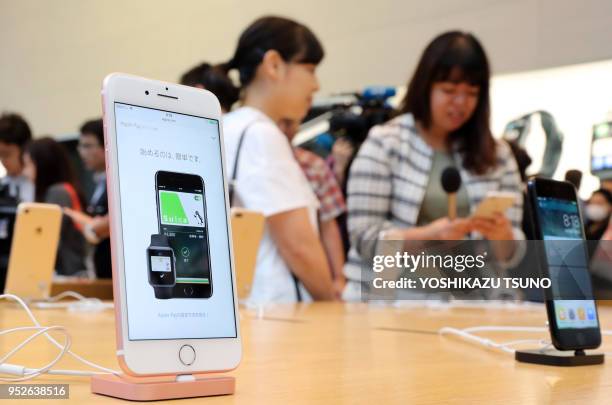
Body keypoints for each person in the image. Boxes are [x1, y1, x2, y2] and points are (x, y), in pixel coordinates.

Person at [343, 31, 524, 300]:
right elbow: (363, 237)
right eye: (449, 91)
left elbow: (512, 253)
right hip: (395, 300)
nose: (460, 103)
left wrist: (503, 236)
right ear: (425, 86)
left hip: (478, 304)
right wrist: (426, 236)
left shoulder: (497, 154)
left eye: (471, 93)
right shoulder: (386, 143)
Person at [220, 16, 336, 302]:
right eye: (309, 69)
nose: (316, 85)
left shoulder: (226, 127)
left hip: (247, 307)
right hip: (277, 311)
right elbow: (299, 245)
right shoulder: (260, 134)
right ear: (273, 65)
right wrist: (332, 302)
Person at [278, 118, 346, 293]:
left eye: (290, 122)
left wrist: (338, 277)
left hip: (308, 275)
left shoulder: (312, 165)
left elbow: (328, 224)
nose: (284, 129)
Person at [23, 137, 86, 276]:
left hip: (69, 274)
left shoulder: (58, 191)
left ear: (43, 165)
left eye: (28, 164)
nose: (25, 172)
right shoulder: (65, 188)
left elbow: (46, 237)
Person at [64, 119, 112, 278]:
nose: (81, 152)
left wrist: (79, 219)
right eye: (80, 146)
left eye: (87, 145)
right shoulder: (100, 183)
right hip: (103, 274)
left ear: (107, 145)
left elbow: (102, 227)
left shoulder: (117, 183)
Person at [0, 113, 34, 203]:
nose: (3, 161)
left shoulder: (38, 186)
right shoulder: (3, 185)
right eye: (0, 155)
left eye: (6, 154)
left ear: (25, 150)